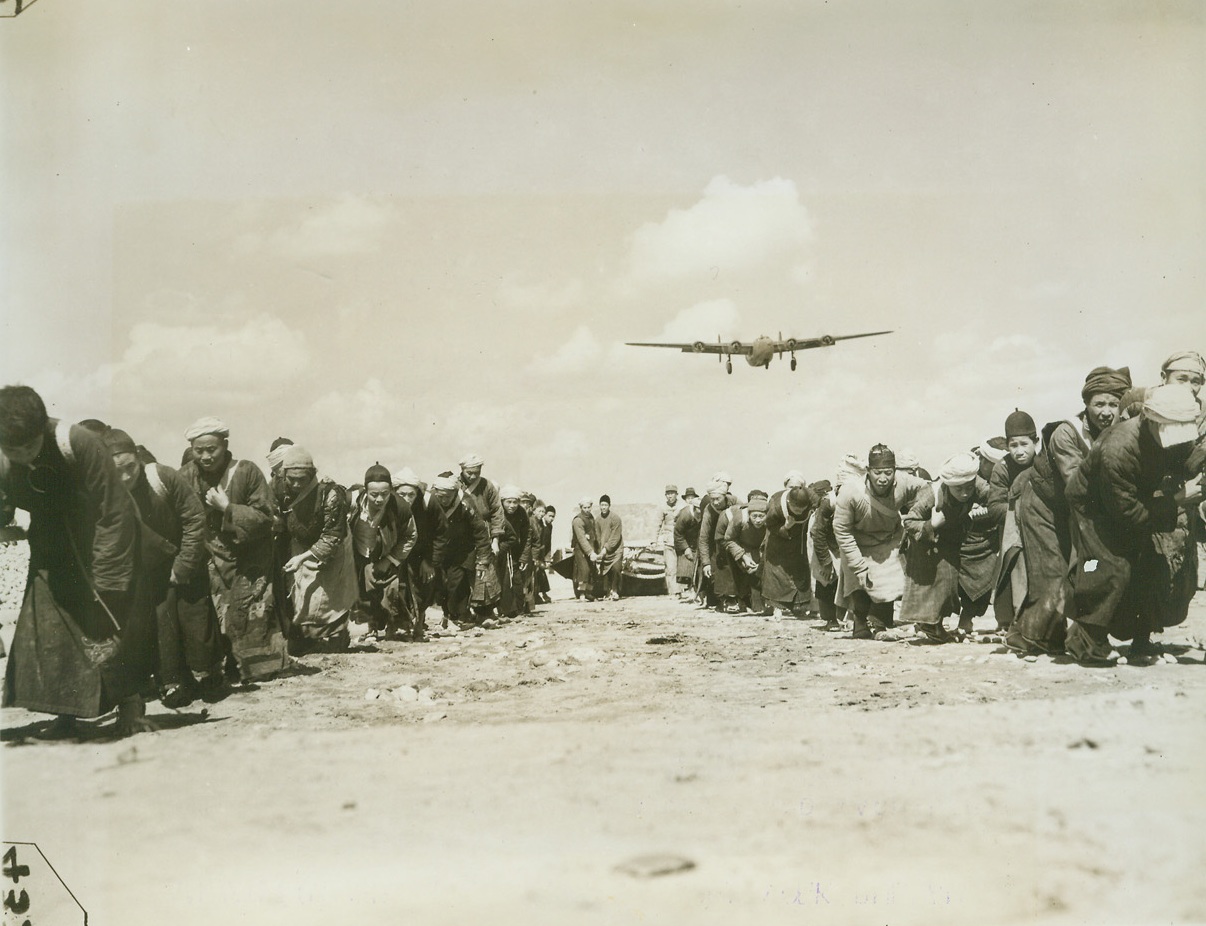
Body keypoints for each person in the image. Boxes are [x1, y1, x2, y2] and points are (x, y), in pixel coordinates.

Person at [0, 386, 150, 738]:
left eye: (28, 448)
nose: (21, 456)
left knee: (102, 624)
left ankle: (131, 700)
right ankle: (65, 713)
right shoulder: (4, 458)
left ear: (42, 431)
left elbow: (113, 511)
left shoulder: (79, 442)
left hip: (101, 538)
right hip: (51, 546)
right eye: (11, 449)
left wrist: (108, 578)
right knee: (49, 632)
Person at [1064, 384, 1203, 665]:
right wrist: (1177, 500)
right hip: (1094, 510)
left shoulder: (1169, 430)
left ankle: (1142, 641)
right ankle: (1086, 641)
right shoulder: (1118, 448)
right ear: (1150, 420)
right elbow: (1129, 514)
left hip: (1131, 501)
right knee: (1107, 569)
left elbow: (1188, 458)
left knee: (1151, 566)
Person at [1007, 366, 1130, 655]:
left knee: (1079, 572)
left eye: (1113, 404)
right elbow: (1078, 483)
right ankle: (1027, 635)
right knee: (1053, 573)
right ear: (1086, 405)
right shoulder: (1067, 433)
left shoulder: (1118, 431)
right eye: (1099, 404)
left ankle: (1047, 635)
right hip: (1040, 505)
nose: (1106, 411)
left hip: (1072, 508)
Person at [104, 427, 224, 708]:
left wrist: (182, 565)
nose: (125, 476)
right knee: (162, 627)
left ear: (138, 458)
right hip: (149, 569)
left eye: (130, 467)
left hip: (186, 560)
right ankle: (173, 683)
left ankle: (209, 676)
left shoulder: (162, 477)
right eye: (115, 470)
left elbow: (195, 520)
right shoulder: (105, 491)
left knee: (196, 621)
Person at [178, 416, 287, 682]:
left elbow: (267, 517)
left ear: (225, 445)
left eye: (211, 449)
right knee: (215, 615)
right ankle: (222, 667)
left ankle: (259, 668)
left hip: (251, 558)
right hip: (210, 555)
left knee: (251, 614)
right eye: (198, 450)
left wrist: (227, 508)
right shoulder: (185, 476)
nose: (205, 456)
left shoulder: (246, 471)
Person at [834, 444, 927, 640]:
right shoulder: (851, 492)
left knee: (889, 584)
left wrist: (916, 512)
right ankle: (860, 622)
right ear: (868, 472)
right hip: (857, 542)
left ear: (895, 471)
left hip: (888, 540)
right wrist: (858, 565)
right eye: (877, 473)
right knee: (859, 585)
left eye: (888, 472)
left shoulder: (903, 482)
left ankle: (877, 622)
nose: (883, 478)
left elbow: (926, 488)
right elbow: (842, 530)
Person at [900, 451, 996, 643]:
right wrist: (932, 525)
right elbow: (910, 522)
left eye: (968, 488)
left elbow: (995, 498)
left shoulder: (976, 484)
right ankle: (931, 626)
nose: (965, 493)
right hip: (926, 543)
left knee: (950, 584)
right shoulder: (931, 494)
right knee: (938, 583)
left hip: (953, 539)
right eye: (958, 489)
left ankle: (936, 624)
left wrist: (985, 510)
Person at [275, 446, 357, 651]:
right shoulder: (279, 488)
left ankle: (337, 636)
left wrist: (303, 558)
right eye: (290, 478)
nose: (295, 484)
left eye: (301, 479)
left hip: (332, 546)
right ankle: (306, 638)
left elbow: (332, 535)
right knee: (302, 594)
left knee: (329, 597)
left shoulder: (329, 494)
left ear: (312, 474)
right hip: (300, 544)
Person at [989, 410, 1039, 632]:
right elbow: (994, 506)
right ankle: (1006, 623)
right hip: (1011, 531)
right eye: (1013, 445)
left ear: (1035, 442)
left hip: (1040, 530)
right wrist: (1019, 510)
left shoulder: (1044, 464)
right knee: (1010, 571)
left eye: (1024, 444)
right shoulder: (1002, 468)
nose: (1019, 451)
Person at [429, 473, 490, 628]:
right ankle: (447, 614)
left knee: (456, 582)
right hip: (439, 547)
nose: (443, 500)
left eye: (447, 497)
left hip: (462, 549)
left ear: (455, 493)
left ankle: (457, 615)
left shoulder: (466, 503)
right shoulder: (430, 501)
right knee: (439, 582)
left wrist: (483, 559)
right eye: (440, 496)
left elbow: (480, 531)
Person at [392, 467, 440, 639]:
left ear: (417, 493)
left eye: (410, 495)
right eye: (402, 494)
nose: (406, 499)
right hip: (395, 553)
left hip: (422, 553)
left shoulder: (429, 503)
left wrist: (429, 561)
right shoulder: (387, 503)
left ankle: (419, 623)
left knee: (423, 588)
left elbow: (440, 533)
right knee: (396, 587)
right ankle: (398, 625)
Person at [764, 483, 818, 618]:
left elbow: (821, 505)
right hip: (778, 541)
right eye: (796, 508)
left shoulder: (811, 496)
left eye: (802, 508)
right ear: (789, 502)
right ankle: (777, 606)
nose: (799, 512)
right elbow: (770, 526)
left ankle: (800, 605)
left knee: (800, 570)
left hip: (799, 539)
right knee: (779, 573)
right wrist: (785, 527)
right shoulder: (775, 506)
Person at [724, 493, 769, 614]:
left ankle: (763, 604)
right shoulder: (739, 518)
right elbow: (729, 539)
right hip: (741, 547)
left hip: (761, 549)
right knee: (746, 575)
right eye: (754, 516)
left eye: (761, 516)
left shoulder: (771, 521)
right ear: (749, 514)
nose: (758, 520)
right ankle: (742, 602)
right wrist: (742, 556)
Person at [697, 481, 738, 610]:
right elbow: (703, 538)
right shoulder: (709, 511)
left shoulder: (736, 502)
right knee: (717, 570)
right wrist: (706, 563)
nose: (715, 502)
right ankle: (723, 600)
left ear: (725, 496)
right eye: (712, 499)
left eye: (717, 499)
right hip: (716, 543)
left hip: (735, 540)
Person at [497, 485, 530, 618]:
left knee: (516, 581)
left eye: (515, 502)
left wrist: (524, 557)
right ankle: (500, 610)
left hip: (515, 551)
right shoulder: (497, 512)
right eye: (508, 502)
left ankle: (517, 609)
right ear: (502, 501)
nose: (512, 505)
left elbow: (527, 535)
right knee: (501, 581)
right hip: (499, 550)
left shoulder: (522, 513)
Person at [654, 484, 683, 595]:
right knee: (670, 568)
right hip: (668, 541)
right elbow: (657, 524)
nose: (670, 496)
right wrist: (654, 540)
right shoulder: (662, 507)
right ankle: (673, 591)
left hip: (681, 541)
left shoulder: (682, 507)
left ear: (677, 494)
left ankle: (682, 590)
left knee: (682, 567)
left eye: (672, 493)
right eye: (668, 494)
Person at [673, 489, 701, 600]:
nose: (700, 511)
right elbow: (678, 533)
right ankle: (687, 590)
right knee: (686, 566)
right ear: (694, 508)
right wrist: (685, 548)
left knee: (697, 567)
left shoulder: (704, 514)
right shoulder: (685, 514)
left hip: (697, 542)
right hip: (684, 540)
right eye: (698, 509)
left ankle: (697, 591)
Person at [596, 494, 624, 600]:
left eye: (605, 505)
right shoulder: (597, 520)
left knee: (616, 569)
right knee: (605, 572)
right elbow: (598, 537)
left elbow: (615, 537)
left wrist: (605, 548)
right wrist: (600, 550)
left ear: (609, 505)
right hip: (604, 551)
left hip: (616, 550)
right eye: (601, 505)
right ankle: (608, 592)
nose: (603, 507)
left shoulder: (615, 518)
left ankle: (615, 591)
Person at [570, 497, 599, 600]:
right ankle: (581, 593)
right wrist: (590, 552)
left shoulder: (591, 518)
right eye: (584, 507)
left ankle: (588, 592)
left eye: (589, 507)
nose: (587, 509)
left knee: (592, 571)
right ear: (581, 507)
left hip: (591, 548)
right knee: (584, 570)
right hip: (581, 550)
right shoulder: (578, 520)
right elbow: (581, 538)